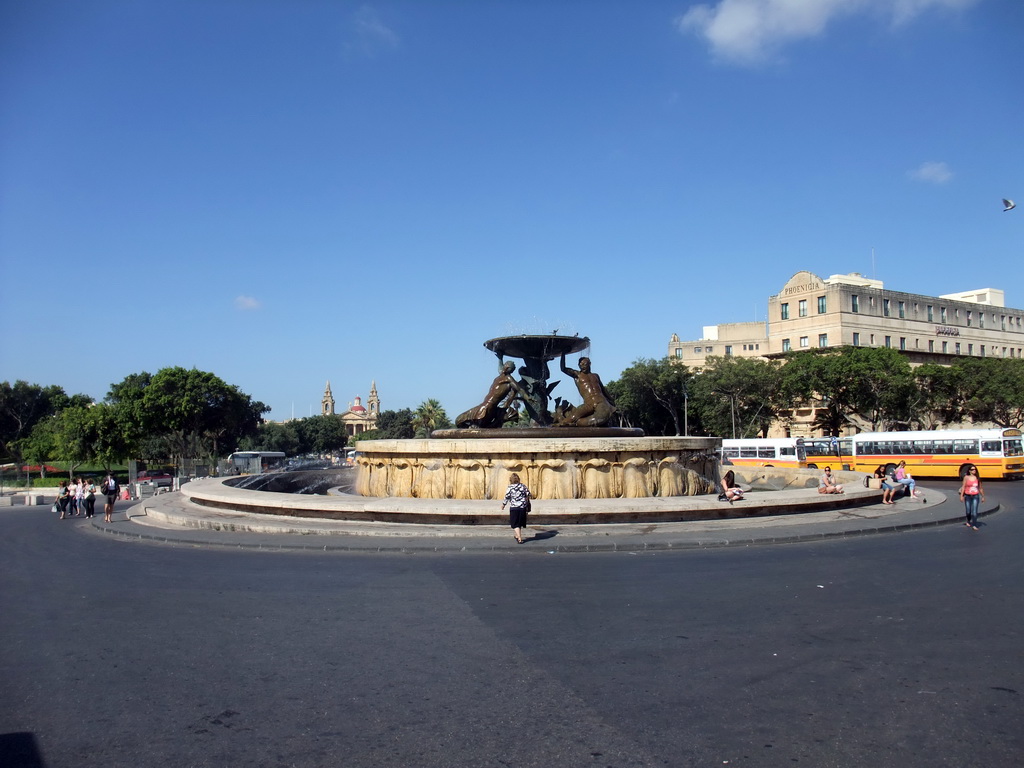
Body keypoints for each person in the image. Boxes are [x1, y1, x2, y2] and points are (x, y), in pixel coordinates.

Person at [456, 361, 528, 429]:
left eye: (512, 369)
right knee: (459, 420)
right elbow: (501, 369)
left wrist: (527, 398)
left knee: (476, 425)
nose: (505, 368)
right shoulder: (501, 376)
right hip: (486, 406)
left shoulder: (508, 378)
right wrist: (500, 358)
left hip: (488, 407)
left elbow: (519, 389)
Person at [554, 354, 616, 427]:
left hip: (601, 401)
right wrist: (563, 353)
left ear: (589, 364)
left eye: (584, 364)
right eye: (580, 364)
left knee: (601, 417)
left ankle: (577, 424)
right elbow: (563, 368)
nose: (582, 366)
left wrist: (611, 401)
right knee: (570, 418)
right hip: (588, 404)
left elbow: (603, 389)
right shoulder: (577, 375)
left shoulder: (596, 375)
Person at [500, 472, 532, 544]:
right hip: (522, 507)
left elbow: (507, 497)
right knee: (519, 523)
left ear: (510, 480)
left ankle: (519, 538)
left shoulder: (510, 488)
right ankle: (517, 535)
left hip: (514, 507)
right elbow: (529, 494)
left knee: (514, 523)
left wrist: (503, 505)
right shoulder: (523, 486)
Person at [959, 465, 984, 530]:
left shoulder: (978, 478)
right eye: (972, 469)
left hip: (975, 496)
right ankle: (968, 520)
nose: (974, 471)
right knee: (968, 511)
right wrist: (961, 496)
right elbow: (963, 486)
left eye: (975, 469)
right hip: (967, 496)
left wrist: (983, 496)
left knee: (974, 511)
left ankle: (974, 525)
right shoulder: (966, 477)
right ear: (969, 471)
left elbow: (980, 488)